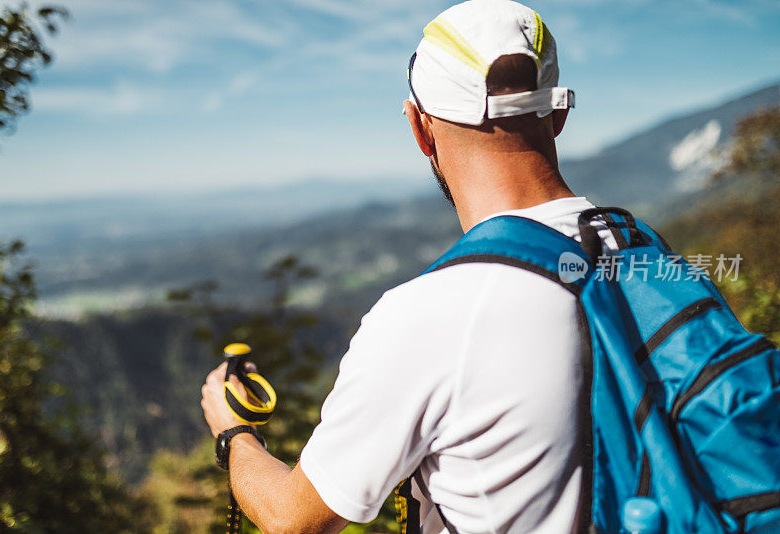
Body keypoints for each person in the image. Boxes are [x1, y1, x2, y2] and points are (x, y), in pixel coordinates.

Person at [201, 1, 615, 532]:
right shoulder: (648, 256)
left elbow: (292, 519)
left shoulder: (429, 315)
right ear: (557, 117)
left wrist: (234, 434)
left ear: (421, 130)